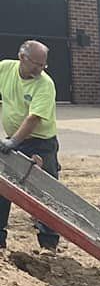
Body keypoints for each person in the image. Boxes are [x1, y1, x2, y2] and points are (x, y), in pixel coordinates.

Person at [0, 40, 62, 257]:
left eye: (43, 65)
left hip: (40, 143)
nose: (39, 69)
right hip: (14, 138)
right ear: (22, 57)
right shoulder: (5, 69)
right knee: (2, 187)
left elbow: (34, 118)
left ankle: (49, 244)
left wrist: (13, 142)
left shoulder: (45, 84)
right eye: (36, 64)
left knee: (46, 191)